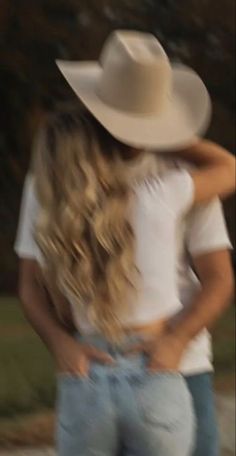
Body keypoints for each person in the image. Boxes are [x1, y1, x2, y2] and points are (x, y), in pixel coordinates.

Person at [14, 31, 235, 456]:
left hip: (178, 361)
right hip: (126, 366)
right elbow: (30, 284)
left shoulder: (169, 170)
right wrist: (61, 344)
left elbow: (219, 280)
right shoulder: (172, 185)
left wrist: (176, 340)